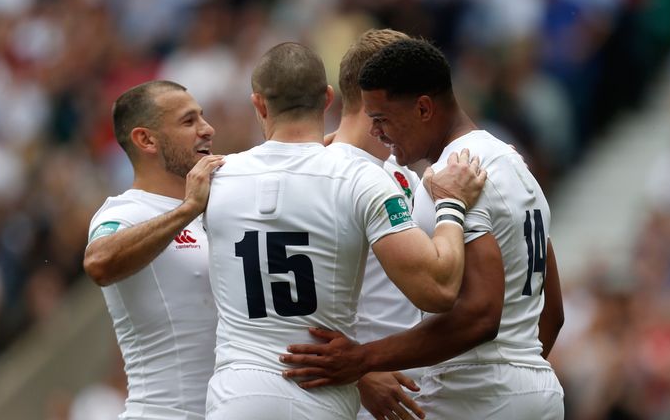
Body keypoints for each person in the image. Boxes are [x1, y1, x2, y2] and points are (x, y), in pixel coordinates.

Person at [281, 39, 565, 419]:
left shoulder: (458, 173)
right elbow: (553, 311)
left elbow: (480, 313)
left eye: (382, 119)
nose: (378, 133)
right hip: (534, 387)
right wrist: (520, 380)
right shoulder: (513, 164)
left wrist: (362, 359)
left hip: (474, 394)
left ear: (423, 108)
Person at [202, 42, 485, 420]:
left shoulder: (213, 178)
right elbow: (438, 290)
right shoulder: (360, 178)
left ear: (259, 105)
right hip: (319, 395)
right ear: (327, 99)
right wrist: (451, 205)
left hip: (237, 395)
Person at [82, 80, 225, 420]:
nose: (207, 129)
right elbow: (99, 262)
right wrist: (187, 210)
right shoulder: (124, 212)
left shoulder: (221, 201)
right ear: (146, 140)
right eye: (189, 122)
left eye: (201, 118)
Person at [328, 28, 426, 420]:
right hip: (354, 398)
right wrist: (360, 372)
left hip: (417, 394)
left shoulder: (405, 175)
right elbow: (287, 300)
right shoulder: (321, 177)